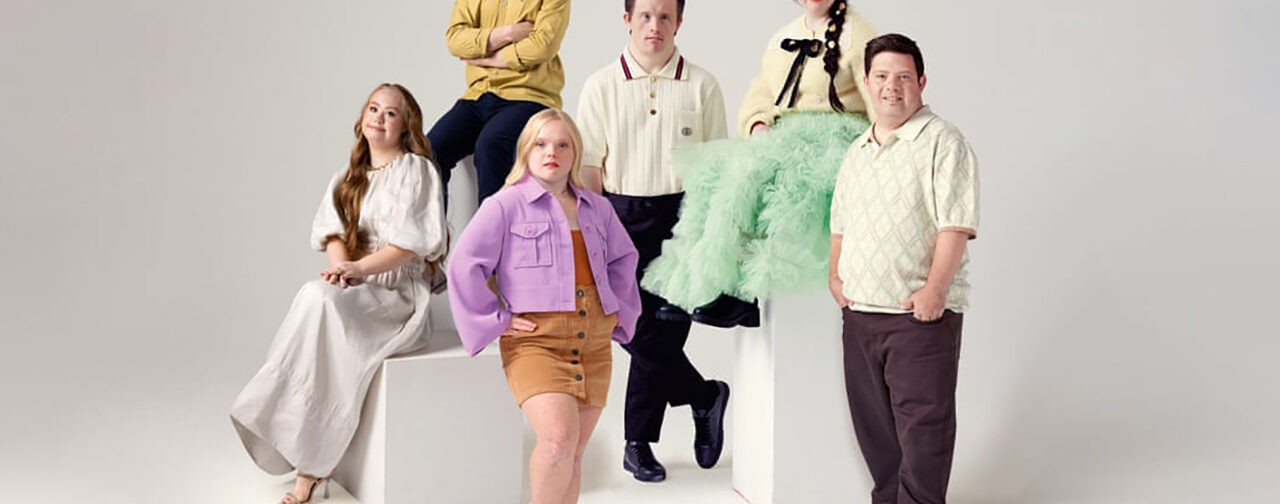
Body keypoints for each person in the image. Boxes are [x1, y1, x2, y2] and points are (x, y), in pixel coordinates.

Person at [230, 83, 448, 504]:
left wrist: (358, 269)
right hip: (357, 286)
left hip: (398, 295)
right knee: (316, 296)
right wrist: (341, 271)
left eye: (391, 113)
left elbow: (409, 245)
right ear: (361, 117)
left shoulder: (415, 170)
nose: (379, 118)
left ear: (405, 127)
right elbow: (333, 234)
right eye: (373, 108)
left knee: (322, 304)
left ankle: (311, 465)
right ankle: (286, 429)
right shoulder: (347, 178)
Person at [446, 109, 642, 504]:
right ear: (526, 151)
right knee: (556, 444)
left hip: (594, 344)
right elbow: (463, 265)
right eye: (541, 144)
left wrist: (618, 312)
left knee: (573, 454)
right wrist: (495, 320)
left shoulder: (598, 208)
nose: (551, 152)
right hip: (537, 342)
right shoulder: (504, 205)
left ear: (575, 154)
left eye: (562, 145)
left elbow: (624, 259)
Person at [641, 0, 877, 328]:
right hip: (787, 131)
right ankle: (696, 284)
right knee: (728, 176)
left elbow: (877, 92)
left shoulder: (858, 33)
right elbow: (762, 90)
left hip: (836, 134)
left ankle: (743, 291)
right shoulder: (784, 35)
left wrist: (884, 147)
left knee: (783, 185)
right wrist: (757, 121)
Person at [575, 0, 731, 482]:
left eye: (665, 16)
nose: (654, 26)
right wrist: (593, 233)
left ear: (680, 21)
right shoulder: (601, 85)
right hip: (619, 216)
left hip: (681, 219)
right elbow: (589, 168)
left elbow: (714, 170)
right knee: (628, 327)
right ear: (627, 20)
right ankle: (704, 396)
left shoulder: (702, 85)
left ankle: (637, 444)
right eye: (644, 15)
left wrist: (704, 233)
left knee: (663, 331)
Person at [829, 33, 979, 504]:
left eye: (903, 77)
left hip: (918, 318)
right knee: (877, 438)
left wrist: (934, 292)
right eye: (881, 76)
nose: (891, 87)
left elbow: (955, 224)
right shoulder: (858, 150)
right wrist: (835, 278)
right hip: (861, 316)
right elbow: (840, 225)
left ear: (921, 82)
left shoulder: (943, 142)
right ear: (866, 82)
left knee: (923, 437)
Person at [429, 0, 571, 207]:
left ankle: (493, 227)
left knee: (491, 145)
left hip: (528, 95)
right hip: (478, 93)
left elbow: (542, 46)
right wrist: (507, 34)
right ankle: (434, 228)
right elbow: (455, 39)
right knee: (429, 150)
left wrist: (486, 58)